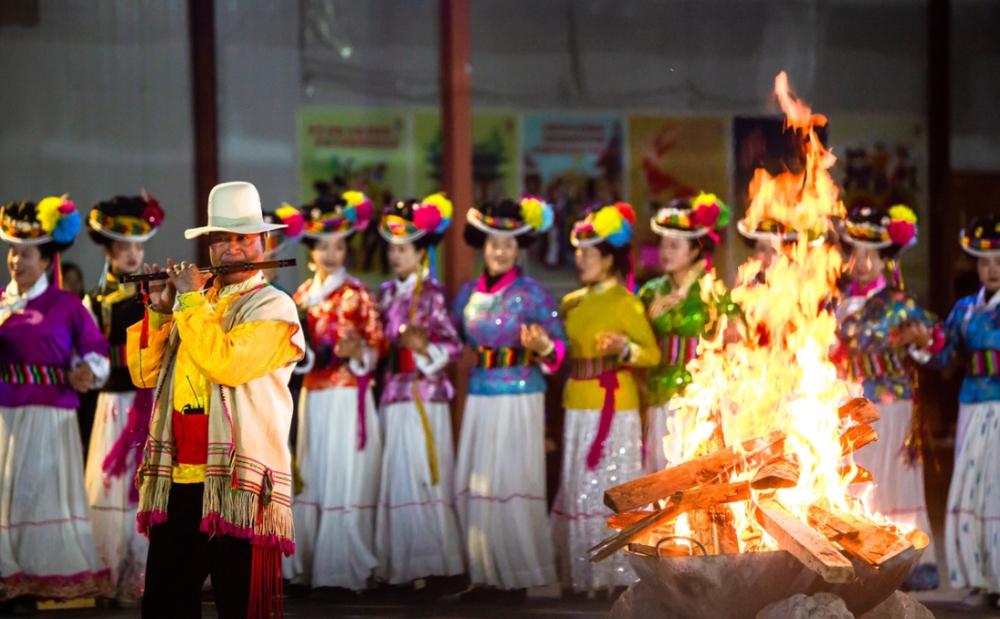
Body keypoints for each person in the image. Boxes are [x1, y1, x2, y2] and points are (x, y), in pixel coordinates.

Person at [126, 181, 305, 618]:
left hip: (237, 483)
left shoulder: (274, 308)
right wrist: (160, 310)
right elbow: (145, 373)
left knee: (239, 605)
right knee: (166, 604)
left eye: (243, 238)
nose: (232, 249)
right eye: (221, 238)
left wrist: (186, 301)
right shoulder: (195, 302)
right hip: (180, 477)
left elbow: (223, 362)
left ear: (263, 241)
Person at [452, 197, 565, 600]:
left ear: (519, 249)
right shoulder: (467, 293)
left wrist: (545, 345)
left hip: (520, 394)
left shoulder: (532, 293)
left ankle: (522, 574)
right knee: (479, 481)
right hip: (481, 393)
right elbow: (454, 340)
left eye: (508, 243)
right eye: (493, 242)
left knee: (513, 480)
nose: (500, 250)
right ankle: (482, 573)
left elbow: (560, 349)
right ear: (483, 245)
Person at [0, 197, 111, 605]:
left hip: (50, 415)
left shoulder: (66, 305)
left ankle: (45, 576)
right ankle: (8, 575)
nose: (16, 261)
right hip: (4, 414)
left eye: (25, 254)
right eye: (12, 252)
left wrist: (89, 372)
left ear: (46, 260)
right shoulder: (1, 303)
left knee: (39, 491)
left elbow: (97, 353)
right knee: (6, 491)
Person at [550, 202, 660, 595]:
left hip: (615, 405)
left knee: (612, 487)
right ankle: (582, 575)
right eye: (578, 253)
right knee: (579, 485)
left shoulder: (627, 303)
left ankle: (616, 576)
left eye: (590, 254)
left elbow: (652, 354)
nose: (581, 260)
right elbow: (559, 353)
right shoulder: (571, 303)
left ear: (609, 259)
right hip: (577, 401)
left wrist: (624, 346)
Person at [833, 204, 942, 591]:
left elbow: (935, 340)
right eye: (855, 253)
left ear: (885, 259)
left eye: (871, 255)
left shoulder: (899, 302)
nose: (861, 263)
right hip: (850, 403)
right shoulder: (839, 304)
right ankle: (861, 552)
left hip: (892, 403)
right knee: (856, 477)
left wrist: (922, 341)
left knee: (895, 479)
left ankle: (908, 557)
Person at [284, 191, 386, 593]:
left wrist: (358, 349)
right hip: (314, 395)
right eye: (323, 246)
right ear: (311, 251)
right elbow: (291, 351)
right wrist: (308, 357)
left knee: (344, 476)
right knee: (313, 474)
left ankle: (342, 569)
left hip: (347, 398)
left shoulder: (357, 294)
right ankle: (310, 564)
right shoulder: (299, 298)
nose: (331, 253)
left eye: (339, 245)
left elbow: (378, 345)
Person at [374, 194, 465, 590]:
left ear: (421, 252)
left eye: (404, 249)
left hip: (424, 394)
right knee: (397, 477)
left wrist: (423, 347)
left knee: (427, 478)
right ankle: (401, 567)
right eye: (392, 248)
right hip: (393, 393)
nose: (396, 256)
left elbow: (454, 346)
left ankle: (436, 566)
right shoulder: (385, 294)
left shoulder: (432, 294)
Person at [82, 192, 165, 605]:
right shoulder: (95, 301)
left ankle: (143, 577)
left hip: (149, 403)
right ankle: (107, 575)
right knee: (109, 487)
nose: (132, 254)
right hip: (113, 404)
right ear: (109, 249)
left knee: (146, 488)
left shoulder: (156, 293)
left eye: (138, 246)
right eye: (124, 247)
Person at [640, 193, 735, 472]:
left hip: (699, 395)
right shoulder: (651, 291)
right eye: (663, 245)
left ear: (694, 250)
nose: (665, 252)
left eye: (675, 246)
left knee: (692, 471)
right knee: (658, 468)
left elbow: (733, 339)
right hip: (658, 392)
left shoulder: (711, 291)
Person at [935, 213, 1000, 607]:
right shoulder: (965, 309)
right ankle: (978, 578)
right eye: (984, 261)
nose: (991, 269)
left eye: (998, 261)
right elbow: (945, 356)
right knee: (971, 487)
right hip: (971, 404)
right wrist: (922, 341)